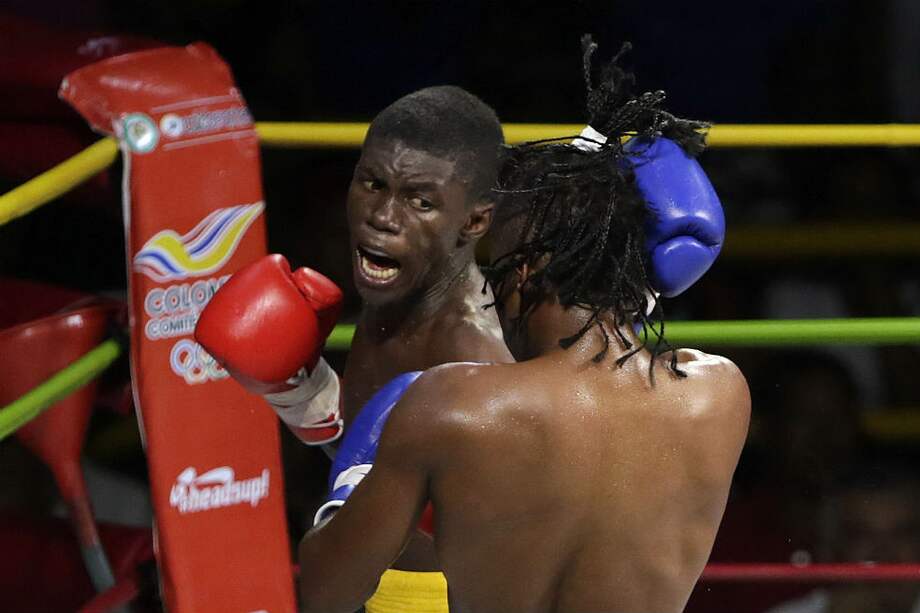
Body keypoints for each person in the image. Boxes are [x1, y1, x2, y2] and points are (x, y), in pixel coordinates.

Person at [297, 38, 749, 613]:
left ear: (528, 269)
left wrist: (352, 478)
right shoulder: (719, 392)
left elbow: (326, 593)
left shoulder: (450, 408)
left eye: (499, 267)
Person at [196, 86, 514, 611]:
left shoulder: (473, 362)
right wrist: (302, 396)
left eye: (421, 201)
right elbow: (378, 463)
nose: (384, 216)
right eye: (373, 184)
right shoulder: (398, 294)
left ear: (474, 222)